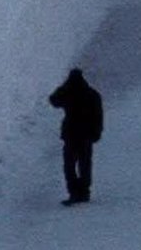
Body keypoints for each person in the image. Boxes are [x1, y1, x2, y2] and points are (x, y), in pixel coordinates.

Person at [48, 68, 103, 206]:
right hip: (86, 135)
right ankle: (84, 192)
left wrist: (64, 87)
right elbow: (99, 116)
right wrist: (97, 133)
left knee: (69, 165)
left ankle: (74, 192)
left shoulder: (68, 93)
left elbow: (53, 100)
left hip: (71, 134)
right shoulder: (92, 94)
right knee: (85, 164)